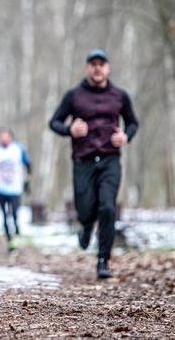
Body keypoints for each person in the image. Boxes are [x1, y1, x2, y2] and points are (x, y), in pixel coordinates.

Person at [49, 49, 138, 279]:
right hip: (83, 160)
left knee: (108, 208)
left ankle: (103, 261)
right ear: (87, 68)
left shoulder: (120, 96)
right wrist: (70, 129)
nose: (97, 68)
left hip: (110, 159)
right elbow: (54, 122)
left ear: (107, 68)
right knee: (86, 208)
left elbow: (132, 123)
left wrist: (126, 136)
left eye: (101, 64)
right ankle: (86, 225)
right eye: (93, 64)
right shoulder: (74, 96)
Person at [0, 128, 31, 252]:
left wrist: (27, 181)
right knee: (4, 215)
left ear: (11, 137)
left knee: (14, 213)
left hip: (15, 188)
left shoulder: (18, 149)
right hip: (0, 188)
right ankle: (10, 241)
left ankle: (17, 226)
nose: (4, 139)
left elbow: (28, 165)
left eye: (6, 136)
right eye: (2, 136)